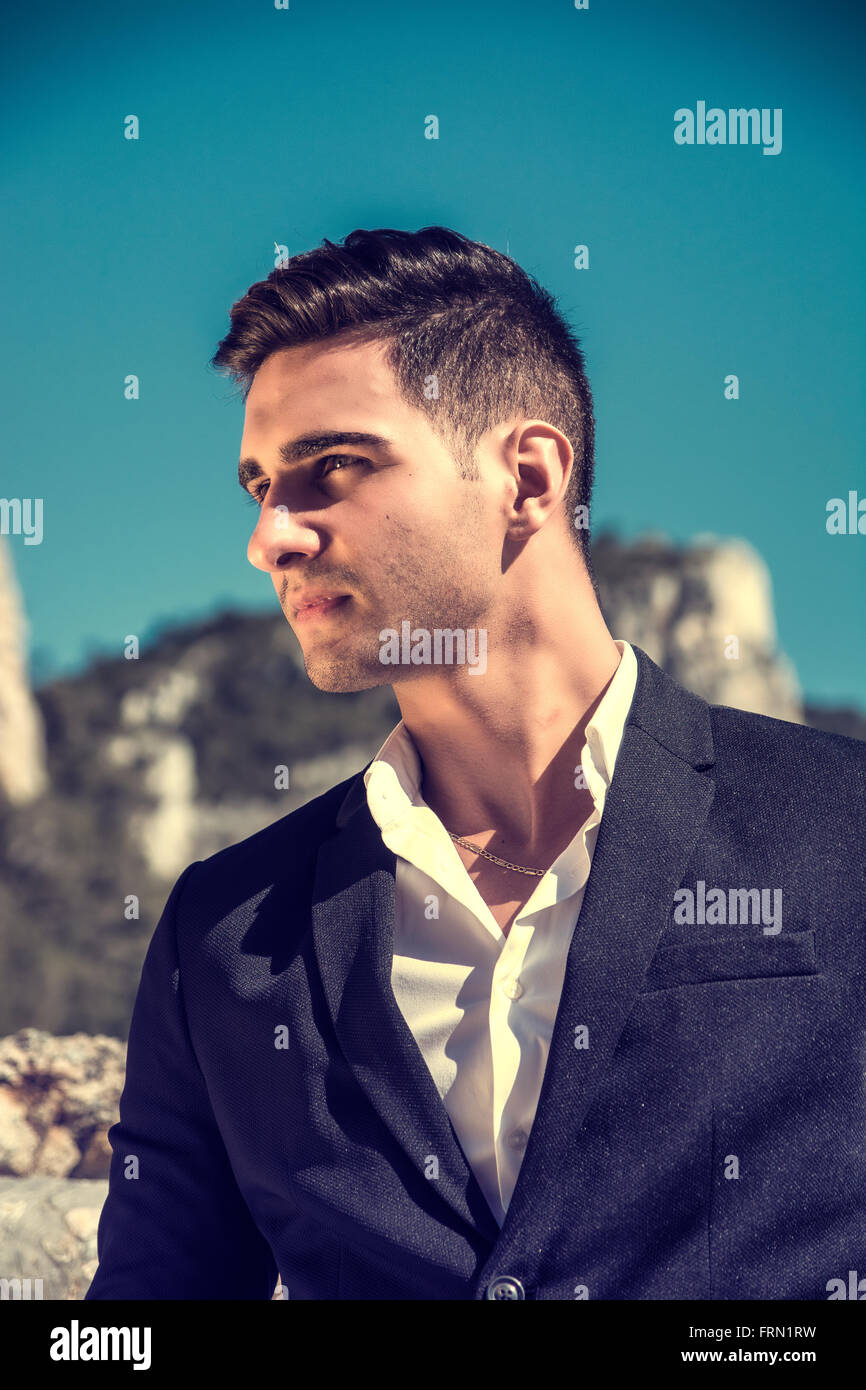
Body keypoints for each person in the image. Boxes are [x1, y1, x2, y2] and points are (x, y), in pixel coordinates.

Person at [86, 226, 866, 1300]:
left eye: (333, 468)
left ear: (527, 476)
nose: (270, 537)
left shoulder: (842, 828)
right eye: (260, 484)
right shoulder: (221, 933)